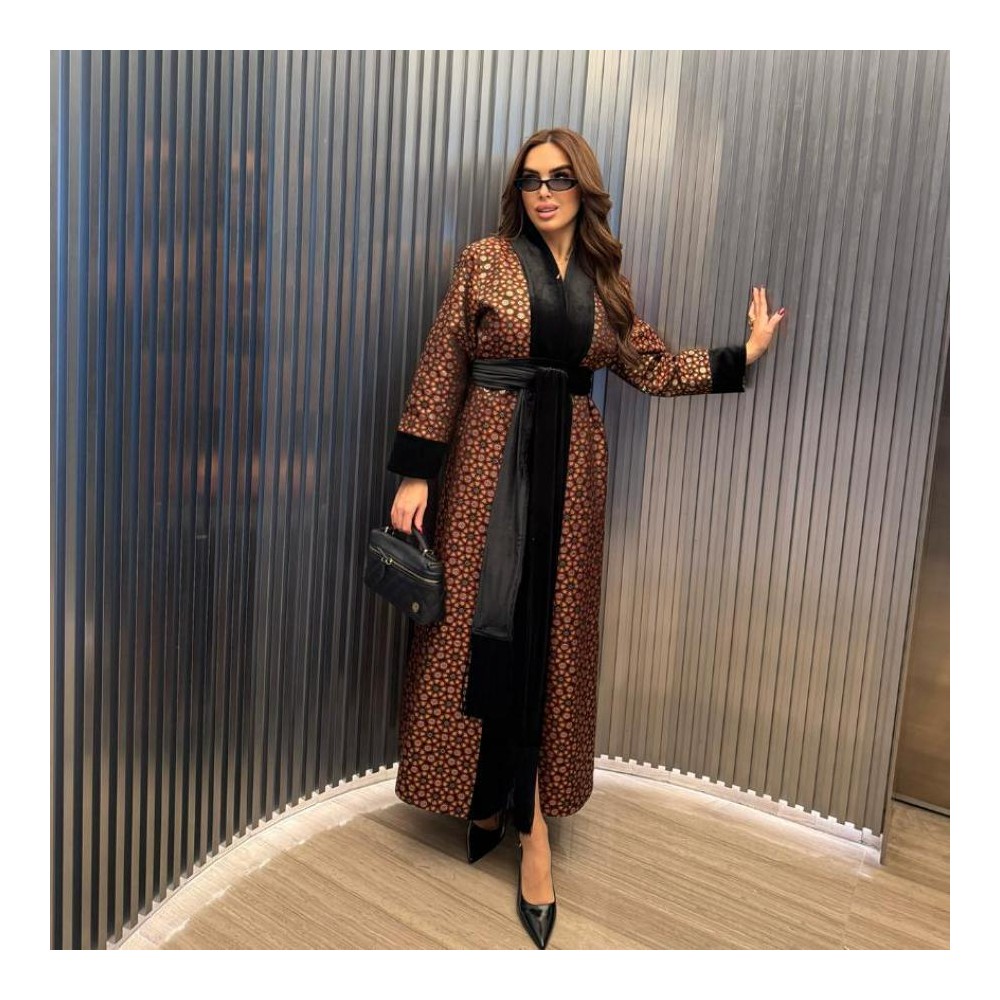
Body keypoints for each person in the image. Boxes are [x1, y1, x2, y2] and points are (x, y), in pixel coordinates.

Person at [385, 127, 786, 949]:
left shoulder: (607, 284)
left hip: (571, 480)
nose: (544, 192)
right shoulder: (485, 261)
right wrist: (416, 472)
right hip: (487, 469)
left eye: (559, 178)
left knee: (550, 641)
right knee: (480, 630)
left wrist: (739, 355)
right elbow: (443, 360)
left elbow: (651, 367)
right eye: (531, 180)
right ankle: (485, 797)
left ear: (585, 188)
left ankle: (531, 826)